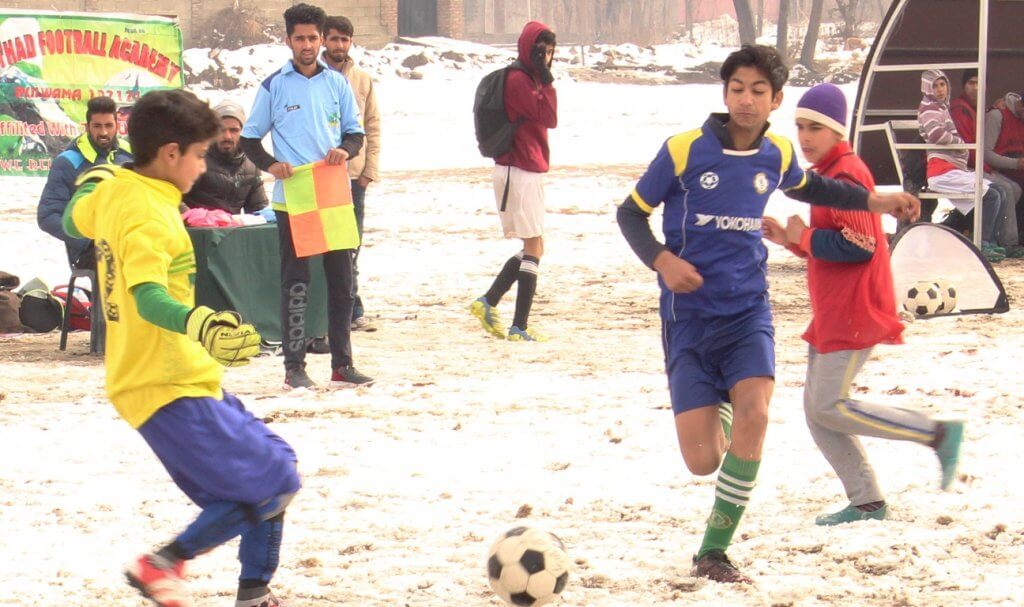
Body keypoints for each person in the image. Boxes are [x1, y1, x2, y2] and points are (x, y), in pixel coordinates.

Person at [615, 44, 920, 584]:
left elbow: (817, 188)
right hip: (687, 318)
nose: (747, 100)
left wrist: (878, 201)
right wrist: (662, 260)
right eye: (737, 89)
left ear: (776, 99)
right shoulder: (683, 150)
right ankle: (723, 408)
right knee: (703, 460)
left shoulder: (776, 153)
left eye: (759, 91)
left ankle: (713, 551)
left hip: (747, 311)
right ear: (724, 93)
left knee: (758, 413)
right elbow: (631, 214)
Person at [61, 88, 297, 607]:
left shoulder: (118, 189)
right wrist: (200, 321)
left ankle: (254, 593)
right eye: (198, 154)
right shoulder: (149, 212)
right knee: (271, 483)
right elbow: (147, 297)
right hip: (163, 383)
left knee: (277, 464)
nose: (202, 165)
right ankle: (161, 565)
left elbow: (70, 217)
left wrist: (93, 178)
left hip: (171, 378)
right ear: (170, 154)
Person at [761, 83, 964, 527]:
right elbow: (835, 242)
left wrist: (804, 237)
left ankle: (937, 433)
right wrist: (793, 242)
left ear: (836, 131)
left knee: (829, 407)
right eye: (799, 127)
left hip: (853, 310)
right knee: (819, 414)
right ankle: (868, 502)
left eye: (816, 127)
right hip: (834, 309)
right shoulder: (829, 171)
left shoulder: (845, 174)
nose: (806, 137)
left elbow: (861, 244)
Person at [241, 3, 373, 390]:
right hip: (294, 197)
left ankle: (342, 365)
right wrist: (270, 164)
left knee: (343, 282)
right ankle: (294, 367)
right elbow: (250, 138)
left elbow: (356, 132)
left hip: (333, 193)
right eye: (299, 38)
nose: (307, 44)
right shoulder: (274, 85)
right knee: (296, 282)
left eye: (313, 37)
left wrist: (346, 150)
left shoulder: (337, 83)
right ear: (287, 41)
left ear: (321, 39)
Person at [470, 20, 557, 342]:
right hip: (518, 169)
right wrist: (545, 81)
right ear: (527, 49)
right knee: (534, 245)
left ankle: (489, 301)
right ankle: (519, 326)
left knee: (535, 245)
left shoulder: (528, 79)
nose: (545, 58)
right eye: (540, 51)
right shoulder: (520, 80)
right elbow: (550, 117)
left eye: (549, 52)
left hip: (524, 169)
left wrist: (542, 78)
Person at [322, 15, 381, 333]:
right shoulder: (311, 77)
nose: (339, 45)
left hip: (353, 176)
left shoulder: (361, 79)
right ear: (324, 40)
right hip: (318, 175)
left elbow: (372, 125)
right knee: (321, 244)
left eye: (345, 40)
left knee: (350, 244)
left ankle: (352, 308)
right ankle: (329, 309)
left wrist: (368, 172)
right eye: (334, 39)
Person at [918, 69, 1006, 261]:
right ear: (927, 87)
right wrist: (959, 143)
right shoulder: (930, 109)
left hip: (954, 168)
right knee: (990, 195)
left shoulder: (941, 107)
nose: (940, 89)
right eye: (935, 85)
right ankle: (983, 243)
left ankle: (991, 242)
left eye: (943, 84)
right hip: (942, 171)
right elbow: (936, 134)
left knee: (999, 190)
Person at [38, 95, 132, 269]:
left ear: (117, 126)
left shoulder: (128, 155)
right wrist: (88, 241)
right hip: (91, 250)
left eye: (109, 125)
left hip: (130, 239)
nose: (103, 132)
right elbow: (47, 216)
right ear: (87, 127)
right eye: (97, 126)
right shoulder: (67, 162)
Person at [948, 70, 1023, 255]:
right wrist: (1014, 164)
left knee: (1013, 188)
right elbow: (975, 150)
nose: (975, 88)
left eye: (979, 84)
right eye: (971, 83)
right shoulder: (960, 109)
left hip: (980, 165)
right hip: (963, 167)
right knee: (1003, 189)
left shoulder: (981, 109)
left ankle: (996, 238)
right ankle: (1001, 242)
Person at [183, 99, 269, 215]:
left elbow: (258, 208)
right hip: (198, 231)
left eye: (234, 130)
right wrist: (195, 218)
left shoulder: (251, 164)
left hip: (232, 230)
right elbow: (173, 198)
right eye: (221, 130)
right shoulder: (197, 159)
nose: (227, 136)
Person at [983, 91, 1024, 236]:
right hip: (998, 170)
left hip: (1017, 172)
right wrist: (1016, 163)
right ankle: (1010, 242)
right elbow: (985, 153)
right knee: (1011, 189)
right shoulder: (998, 116)